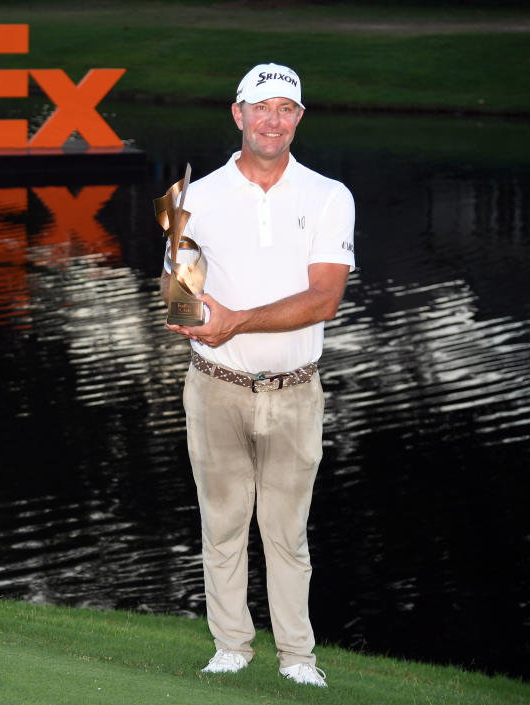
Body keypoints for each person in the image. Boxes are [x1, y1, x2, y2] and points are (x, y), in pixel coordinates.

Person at [161, 62, 355, 688]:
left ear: (298, 118)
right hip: (215, 385)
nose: (274, 120)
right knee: (220, 526)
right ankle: (232, 646)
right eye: (261, 107)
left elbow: (324, 299)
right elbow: (177, 284)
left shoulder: (329, 196)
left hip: (295, 390)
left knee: (287, 534)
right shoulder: (194, 197)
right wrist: (180, 305)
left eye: (286, 109)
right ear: (238, 113)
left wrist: (237, 320)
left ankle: (298, 657)